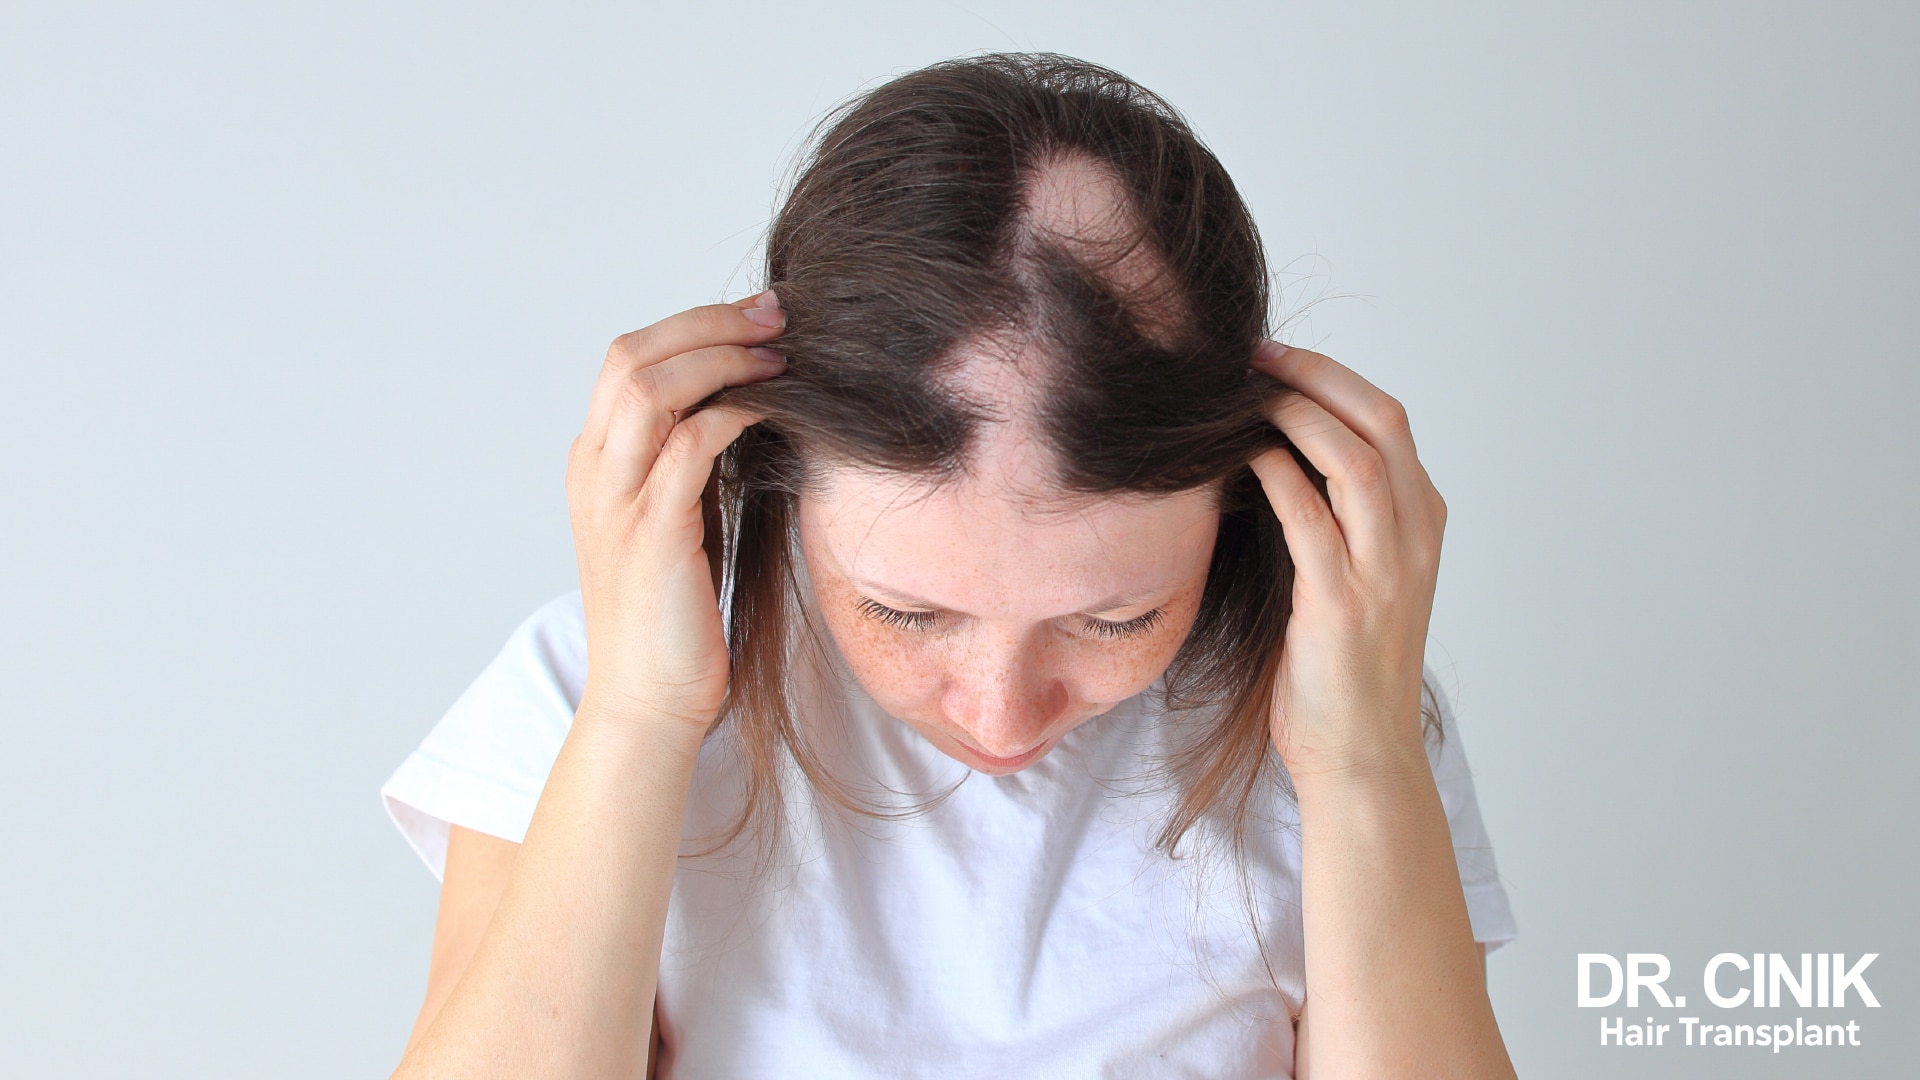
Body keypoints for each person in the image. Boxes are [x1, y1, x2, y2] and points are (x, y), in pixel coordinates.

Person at [382, 52, 1518, 1079]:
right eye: (907, 613)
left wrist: (1362, 762)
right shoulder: (587, 686)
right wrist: (637, 716)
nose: (1002, 712)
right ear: (774, 480)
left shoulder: (1339, 710)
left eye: (1118, 618)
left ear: (1241, 504)